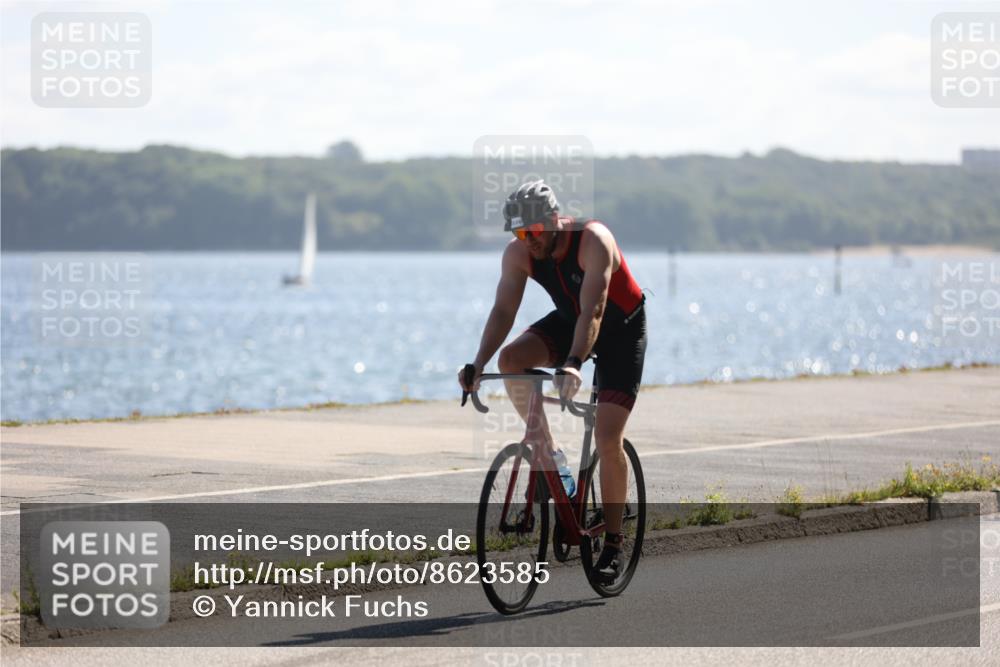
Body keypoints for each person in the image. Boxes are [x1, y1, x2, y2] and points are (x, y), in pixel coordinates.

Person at [459, 180, 647, 584]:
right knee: (511, 359)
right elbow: (504, 310)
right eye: (518, 234)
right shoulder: (519, 254)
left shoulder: (593, 240)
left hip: (620, 330)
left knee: (607, 437)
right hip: (570, 321)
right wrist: (477, 363)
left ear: (555, 220)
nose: (526, 241)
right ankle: (555, 463)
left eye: (532, 232)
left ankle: (614, 541)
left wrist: (575, 363)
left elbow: (595, 310)